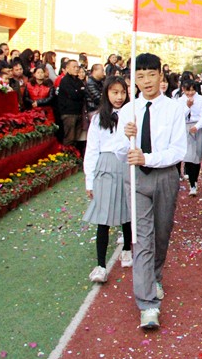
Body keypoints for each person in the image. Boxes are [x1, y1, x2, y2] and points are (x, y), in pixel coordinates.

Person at [114, 53, 187, 330]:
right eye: (140, 76)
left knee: (160, 234)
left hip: (165, 176)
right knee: (142, 240)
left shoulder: (174, 108)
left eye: (150, 74)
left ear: (161, 76)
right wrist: (125, 137)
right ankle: (147, 305)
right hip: (137, 180)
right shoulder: (127, 110)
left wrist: (149, 158)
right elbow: (122, 153)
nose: (146, 81)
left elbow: (178, 150)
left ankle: (155, 275)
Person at [83, 76, 133, 283]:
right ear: (106, 94)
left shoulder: (132, 115)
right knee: (103, 217)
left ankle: (128, 248)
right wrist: (90, 179)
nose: (119, 97)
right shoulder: (97, 119)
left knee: (127, 210)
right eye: (114, 92)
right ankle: (101, 265)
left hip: (126, 164)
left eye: (122, 92)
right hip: (104, 166)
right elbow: (92, 149)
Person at [179, 80, 202, 196]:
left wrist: (197, 126)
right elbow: (179, 116)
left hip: (198, 127)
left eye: (192, 90)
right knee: (189, 157)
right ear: (183, 90)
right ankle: (192, 184)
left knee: (197, 157)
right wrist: (187, 106)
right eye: (187, 90)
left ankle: (195, 179)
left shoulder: (201, 99)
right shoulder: (180, 101)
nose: (190, 93)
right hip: (186, 126)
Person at [58, 60, 86, 148]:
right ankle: (67, 157)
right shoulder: (65, 81)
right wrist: (79, 91)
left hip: (78, 112)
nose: (76, 69)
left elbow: (83, 93)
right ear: (67, 69)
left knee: (76, 138)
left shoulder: (79, 81)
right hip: (68, 113)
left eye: (77, 67)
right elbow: (73, 94)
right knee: (69, 138)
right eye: (74, 67)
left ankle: (75, 156)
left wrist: (79, 91)